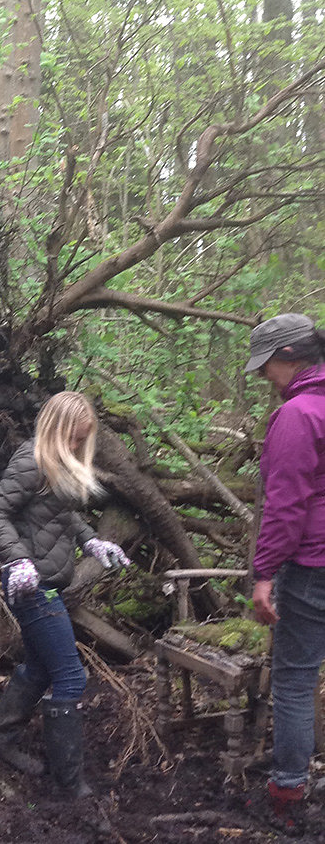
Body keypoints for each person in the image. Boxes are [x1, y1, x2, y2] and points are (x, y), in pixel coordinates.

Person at [0, 391, 130, 799]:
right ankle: (69, 784)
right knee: (70, 676)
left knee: (40, 669)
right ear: (57, 428)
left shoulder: (59, 464)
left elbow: (61, 516)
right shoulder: (31, 460)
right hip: (32, 588)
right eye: (75, 438)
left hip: (47, 584)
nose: (79, 446)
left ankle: (2, 742)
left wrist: (94, 544)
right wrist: (18, 560)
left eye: (84, 439)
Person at [243, 313, 325, 837]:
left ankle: (288, 790)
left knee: (295, 680)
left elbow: (286, 505)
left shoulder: (299, 415)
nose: (264, 378)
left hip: (313, 567)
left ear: (290, 357)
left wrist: (264, 573)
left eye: (267, 366)